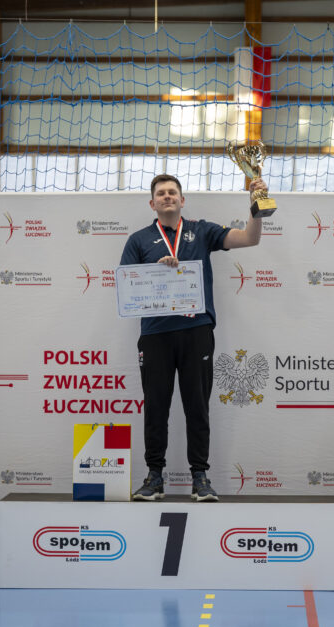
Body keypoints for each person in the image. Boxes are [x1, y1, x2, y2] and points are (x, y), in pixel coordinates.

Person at [121, 173, 267, 502]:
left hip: (196, 330)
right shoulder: (138, 240)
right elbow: (126, 289)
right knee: (155, 407)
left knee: (197, 406)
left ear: (182, 200)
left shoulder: (201, 231)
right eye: (161, 193)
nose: (167, 196)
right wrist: (156, 273)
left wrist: (256, 206)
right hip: (155, 334)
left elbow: (250, 238)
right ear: (152, 203)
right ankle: (154, 477)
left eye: (172, 192)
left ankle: (200, 477)